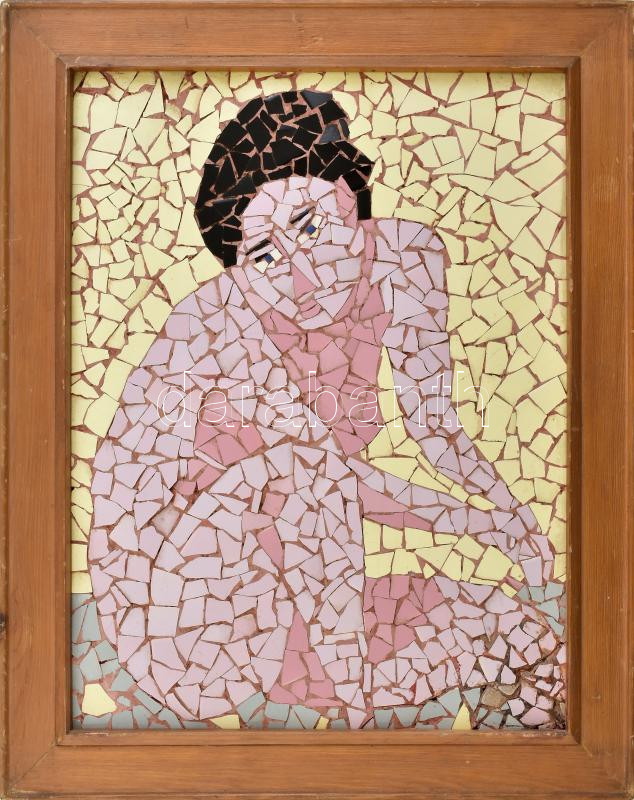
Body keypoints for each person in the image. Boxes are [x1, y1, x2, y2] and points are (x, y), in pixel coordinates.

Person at [88, 90, 564, 729]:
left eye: (309, 227)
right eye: (264, 256)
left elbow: (435, 425)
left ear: (346, 192)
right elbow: (329, 477)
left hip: (295, 588)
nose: (301, 280)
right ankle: (355, 715)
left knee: (520, 637)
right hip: (182, 622)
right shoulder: (222, 324)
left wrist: (512, 514)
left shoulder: (409, 257)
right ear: (240, 268)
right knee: (303, 470)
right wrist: (477, 526)